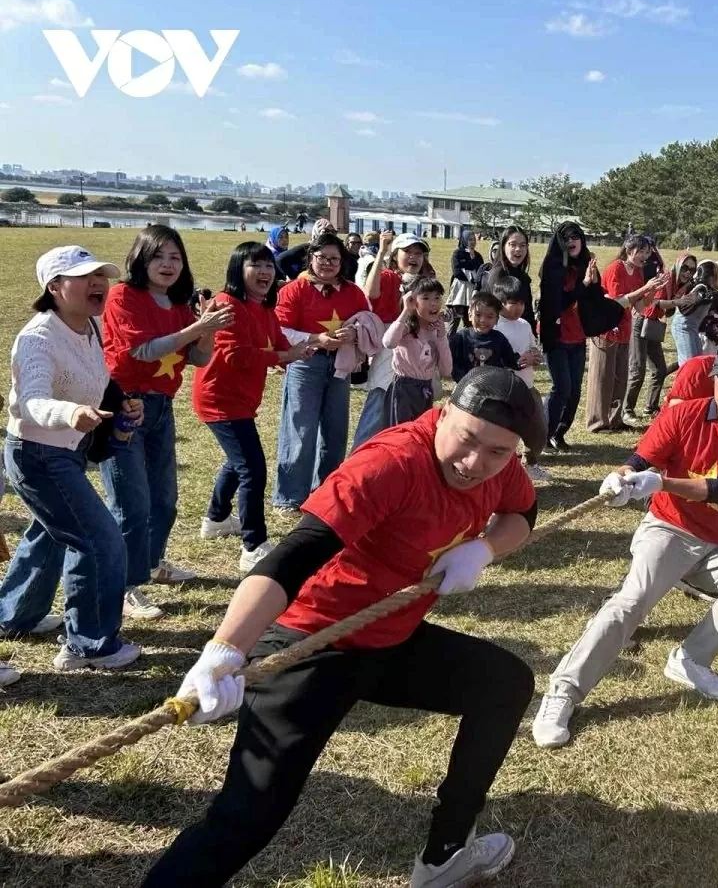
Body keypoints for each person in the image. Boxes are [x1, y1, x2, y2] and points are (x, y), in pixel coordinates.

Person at [142, 368, 544, 888]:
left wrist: (484, 548)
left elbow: (524, 512)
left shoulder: (498, 469)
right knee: (248, 817)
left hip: (390, 637)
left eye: (497, 452)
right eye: (467, 439)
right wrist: (224, 650)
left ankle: (445, 855)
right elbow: (293, 557)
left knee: (505, 685)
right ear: (443, 412)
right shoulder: (391, 464)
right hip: (312, 641)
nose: (475, 463)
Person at [532, 339, 718, 749]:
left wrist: (661, 482)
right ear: (713, 380)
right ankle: (563, 691)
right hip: (669, 528)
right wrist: (620, 478)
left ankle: (691, 659)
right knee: (631, 602)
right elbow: (638, 461)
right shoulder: (683, 413)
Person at [0, 246, 144, 673]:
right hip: (38, 454)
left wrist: (121, 401)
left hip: (67, 449)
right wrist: (69, 413)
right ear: (54, 287)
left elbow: (96, 374)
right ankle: (89, 645)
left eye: (100, 275)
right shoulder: (37, 339)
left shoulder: (90, 326)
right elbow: (32, 401)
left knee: (52, 533)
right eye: (83, 276)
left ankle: (15, 614)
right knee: (98, 540)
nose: (98, 282)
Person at [102, 226, 232, 620]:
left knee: (164, 499)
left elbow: (198, 358)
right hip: (124, 406)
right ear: (140, 258)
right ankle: (124, 587)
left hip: (161, 407)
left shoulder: (177, 304)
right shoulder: (123, 296)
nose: (168, 264)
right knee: (131, 503)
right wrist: (198, 328)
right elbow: (143, 351)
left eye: (175, 257)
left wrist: (207, 329)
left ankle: (152, 562)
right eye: (158, 255)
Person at [192, 243, 315, 573]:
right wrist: (285, 356)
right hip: (220, 399)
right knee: (253, 469)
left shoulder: (262, 308)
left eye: (268, 265)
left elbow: (280, 343)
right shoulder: (227, 305)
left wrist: (309, 345)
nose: (264, 272)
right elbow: (237, 356)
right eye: (255, 265)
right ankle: (253, 545)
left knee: (239, 461)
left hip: (242, 400)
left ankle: (217, 518)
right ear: (238, 269)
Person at [272, 233, 369, 513]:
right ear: (310, 258)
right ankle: (290, 497)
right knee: (300, 429)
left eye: (334, 259)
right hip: (305, 363)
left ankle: (326, 492)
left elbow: (367, 320)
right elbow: (280, 330)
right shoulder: (295, 290)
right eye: (322, 257)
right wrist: (316, 339)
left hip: (340, 365)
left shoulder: (352, 292)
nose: (327, 263)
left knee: (335, 430)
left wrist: (355, 333)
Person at [353, 232, 433, 450]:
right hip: (390, 348)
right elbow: (370, 293)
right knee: (379, 405)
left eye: (418, 253)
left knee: (410, 414)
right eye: (407, 252)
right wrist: (381, 252)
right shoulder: (388, 277)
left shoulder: (425, 283)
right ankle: (360, 457)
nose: (413, 257)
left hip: (415, 353)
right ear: (396, 255)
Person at [586, 233, 659, 433]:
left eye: (647, 252)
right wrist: (644, 288)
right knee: (602, 378)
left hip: (624, 330)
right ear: (628, 250)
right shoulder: (615, 268)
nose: (644, 256)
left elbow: (639, 308)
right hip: (606, 329)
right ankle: (597, 422)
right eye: (641, 251)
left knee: (620, 379)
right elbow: (618, 302)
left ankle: (614, 420)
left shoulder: (638, 272)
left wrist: (652, 291)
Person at [539, 222, 598, 451]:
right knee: (561, 388)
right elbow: (561, 302)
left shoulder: (586, 264)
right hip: (556, 337)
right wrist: (584, 284)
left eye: (575, 236)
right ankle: (543, 434)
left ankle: (559, 433)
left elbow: (593, 300)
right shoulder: (552, 267)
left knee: (574, 391)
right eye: (566, 238)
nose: (571, 241)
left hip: (578, 338)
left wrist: (593, 283)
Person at [491, 275, 551, 482]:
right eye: (513, 303)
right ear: (500, 303)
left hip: (527, 386)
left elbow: (533, 347)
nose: (519, 308)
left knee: (539, 429)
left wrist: (535, 356)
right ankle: (503, 469)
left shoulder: (524, 324)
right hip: (504, 389)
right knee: (503, 432)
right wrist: (516, 361)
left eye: (522, 303)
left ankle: (530, 461)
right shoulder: (494, 326)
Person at [377, 276, 452, 432]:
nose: (433, 303)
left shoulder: (436, 331)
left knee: (420, 432)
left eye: (437, 297)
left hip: (426, 389)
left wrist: (441, 336)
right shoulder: (406, 328)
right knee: (401, 433)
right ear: (412, 301)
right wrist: (405, 311)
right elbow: (388, 342)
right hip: (403, 389)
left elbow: (446, 370)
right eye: (426, 298)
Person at [624, 251, 689, 421]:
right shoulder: (667, 278)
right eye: (685, 268)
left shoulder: (680, 285)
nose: (688, 272)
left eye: (692, 270)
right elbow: (655, 303)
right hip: (641, 321)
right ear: (678, 266)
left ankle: (650, 407)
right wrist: (678, 302)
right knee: (637, 369)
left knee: (659, 369)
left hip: (653, 324)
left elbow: (667, 311)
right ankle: (627, 410)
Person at [449, 292, 520, 381]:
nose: (483, 320)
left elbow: (510, 360)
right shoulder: (460, 338)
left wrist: (521, 361)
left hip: (493, 385)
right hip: (467, 386)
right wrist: (464, 379)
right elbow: (452, 364)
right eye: (478, 315)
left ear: (497, 319)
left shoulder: (499, 338)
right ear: (470, 315)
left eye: (489, 317)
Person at [671, 259, 718, 367]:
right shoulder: (700, 287)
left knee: (697, 360)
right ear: (711, 277)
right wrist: (716, 293)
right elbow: (697, 300)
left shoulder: (709, 290)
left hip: (692, 328)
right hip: (683, 328)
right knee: (689, 363)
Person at [484, 226, 535, 332]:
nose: (518, 249)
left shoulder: (523, 276)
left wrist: (532, 334)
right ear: (503, 246)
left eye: (523, 245)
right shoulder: (497, 275)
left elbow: (528, 311)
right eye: (513, 244)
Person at [447, 230, 485, 335]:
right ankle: (449, 341)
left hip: (472, 291)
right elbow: (457, 272)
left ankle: (468, 340)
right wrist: (471, 274)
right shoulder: (457, 254)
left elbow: (480, 272)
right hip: (459, 291)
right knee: (454, 320)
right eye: (469, 239)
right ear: (464, 240)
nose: (472, 242)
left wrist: (472, 259)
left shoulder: (478, 256)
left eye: (474, 240)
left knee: (470, 320)